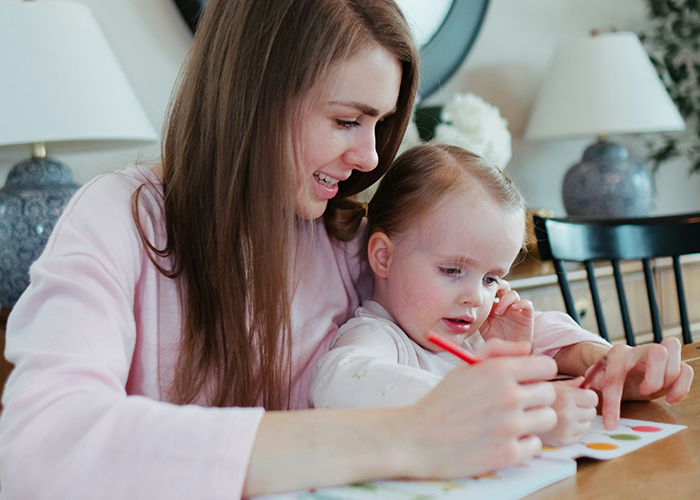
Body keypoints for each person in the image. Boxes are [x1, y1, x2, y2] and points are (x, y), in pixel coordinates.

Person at [0, 1, 691, 499]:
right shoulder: (118, 219)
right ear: (255, 97)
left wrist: (596, 360)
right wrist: (413, 433)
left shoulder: (335, 234)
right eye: (346, 120)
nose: (367, 157)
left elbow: (456, 305)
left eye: (379, 124)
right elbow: (38, 445)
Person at [310, 144, 607, 446]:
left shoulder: (474, 340)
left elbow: (551, 331)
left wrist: (508, 357)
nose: (476, 298)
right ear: (384, 257)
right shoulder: (379, 337)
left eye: (491, 279)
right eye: (452, 270)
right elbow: (335, 381)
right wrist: (513, 406)